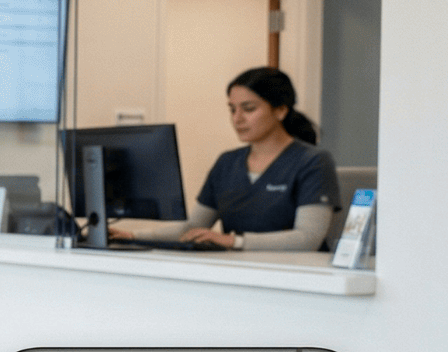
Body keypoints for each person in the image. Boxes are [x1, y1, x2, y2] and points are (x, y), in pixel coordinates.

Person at [111, 67, 339, 251]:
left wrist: (234, 241)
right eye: (232, 110)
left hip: (296, 275)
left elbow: (307, 238)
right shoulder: (227, 163)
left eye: (248, 109)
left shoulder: (313, 161)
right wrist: (133, 235)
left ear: (280, 110)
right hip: (237, 271)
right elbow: (194, 226)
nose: (237, 119)